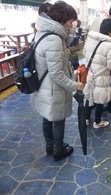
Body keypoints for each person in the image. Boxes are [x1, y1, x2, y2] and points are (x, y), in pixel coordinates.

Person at [32, 1, 84, 162]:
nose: (71, 26)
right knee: (57, 119)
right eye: (70, 23)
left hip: (44, 86)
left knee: (47, 117)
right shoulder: (54, 39)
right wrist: (75, 85)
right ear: (61, 20)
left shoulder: (43, 32)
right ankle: (58, 149)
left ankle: (50, 146)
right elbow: (56, 74)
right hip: (53, 88)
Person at [82, 19, 111, 129]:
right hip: (102, 76)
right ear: (110, 32)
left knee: (89, 96)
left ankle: (86, 118)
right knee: (100, 99)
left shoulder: (90, 40)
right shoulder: (109, 45)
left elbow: (84, 54)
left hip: (91, 74)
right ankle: (97, 122)